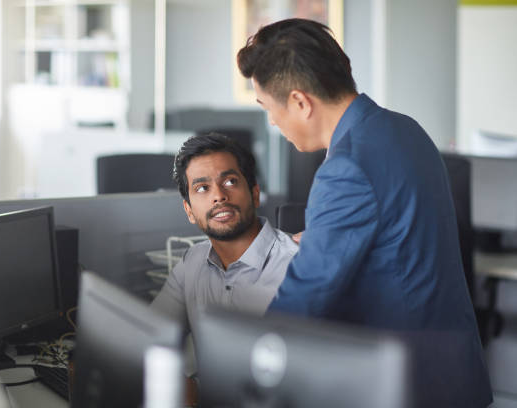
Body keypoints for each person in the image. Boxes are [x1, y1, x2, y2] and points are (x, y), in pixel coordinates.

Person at [237, 18, 492, 407]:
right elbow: (400, 232)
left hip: (407, 383)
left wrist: (241, 363)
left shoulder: (346, 168)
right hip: (450, 369)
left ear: (300, 102)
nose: (273, 122)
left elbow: (304, 300)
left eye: (269, 108)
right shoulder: (404, 128)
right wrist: (321, 238)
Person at [151, 133, 298, 334]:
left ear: (254, 194)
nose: (219, 196)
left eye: (230, 182)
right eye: (202, 188)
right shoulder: (191, 262)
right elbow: (150, 335)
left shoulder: (297, 263)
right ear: (189, 211)